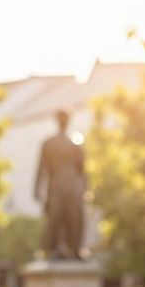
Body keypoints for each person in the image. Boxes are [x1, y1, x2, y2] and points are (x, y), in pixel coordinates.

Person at [34, 109, 88, 260]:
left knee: (75, 218)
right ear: (57, 121)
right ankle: (56, 249)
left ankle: (75, 249)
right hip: (56, 184)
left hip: (74, 185)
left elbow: (82, 169)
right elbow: (41, 167)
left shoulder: (76, 142)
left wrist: (86, 189)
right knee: (55, 217)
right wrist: (37, 188)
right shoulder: (48, 143)